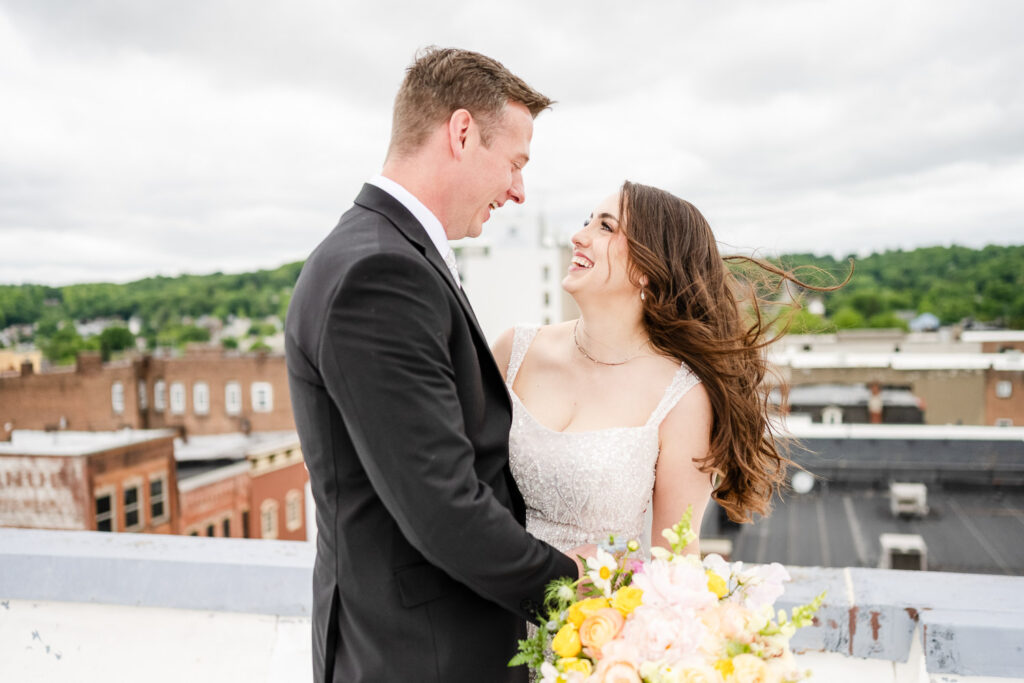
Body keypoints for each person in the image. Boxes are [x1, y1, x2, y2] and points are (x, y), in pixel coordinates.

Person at [285, 48, 589, 683]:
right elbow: (440, 505)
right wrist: (571, 588)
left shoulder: (382, 250)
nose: (518, 189)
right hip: (419, 657)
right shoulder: (381, 272)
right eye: (514, 162)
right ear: (460, 132)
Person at [494, 181, 813, 558]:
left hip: (596, 613)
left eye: (606, 227)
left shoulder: (681, 397)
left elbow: (674, 557)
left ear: (647, 269)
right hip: (487, 606)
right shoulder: (514, 350)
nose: (578, 237)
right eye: (587, 221)